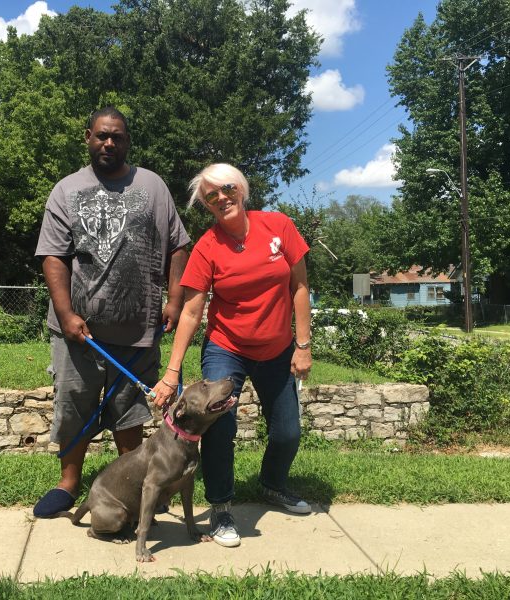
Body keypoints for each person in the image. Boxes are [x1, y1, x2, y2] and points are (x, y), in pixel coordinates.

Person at [34, 106, 190, 518]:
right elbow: (53, 256)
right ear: (88, 137)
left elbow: (178, 244)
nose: (109, 143)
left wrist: (173, 299)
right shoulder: (65, 190)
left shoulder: (153, 186)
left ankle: (136, 485)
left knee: (131, 413)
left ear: (127, 141)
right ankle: (68, 483)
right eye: (102, 135)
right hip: (78, 332)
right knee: (73, 406)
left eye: (117, 137)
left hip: (138, 329)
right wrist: (66, 313)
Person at [151, 163, 312, 548]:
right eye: (211, 195)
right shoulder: (207, 246)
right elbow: (191, 311)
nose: (221, 197)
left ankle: (273, 484)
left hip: (276, 348)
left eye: (226, 188)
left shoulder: (279, 227)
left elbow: (300, 286)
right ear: (206, 205)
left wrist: (302, 346)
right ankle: (221, 505)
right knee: (219, 426)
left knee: (288, 432)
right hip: (227, 347)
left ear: (241, 189)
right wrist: (172, 374)